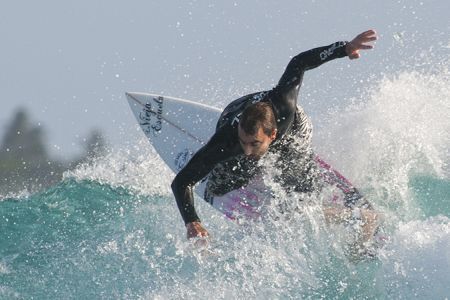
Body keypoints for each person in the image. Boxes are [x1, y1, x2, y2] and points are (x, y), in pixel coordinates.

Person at [172, 29, 379, 242]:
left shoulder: (285, 105)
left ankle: (361, 218)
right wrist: (192, 221)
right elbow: (181, 182)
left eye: (254, 143)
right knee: (217, 187)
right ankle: (255, 169)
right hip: (237, 111)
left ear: (272, 135)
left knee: (299, 201)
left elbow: (299, 62)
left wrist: (343, 48)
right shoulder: (228, 141)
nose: (247, 149)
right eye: (244, 142)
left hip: (294, 130)